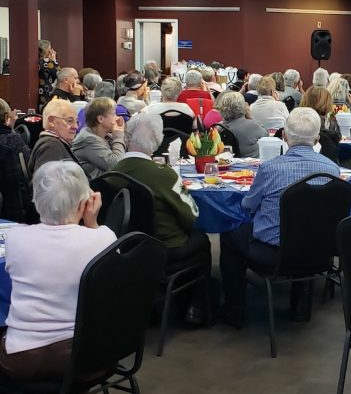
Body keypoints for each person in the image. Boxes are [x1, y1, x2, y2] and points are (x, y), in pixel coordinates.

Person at [219, 107, 340, 327]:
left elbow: (248, 205)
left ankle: (233, 309)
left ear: (284, 135)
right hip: (317, 251)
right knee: (307, 225)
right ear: (316, 138)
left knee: (229, 232)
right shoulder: (332, 169)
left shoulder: (270, 168)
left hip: (272, 252)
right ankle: (300, 305)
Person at [0, 161, 115, 381]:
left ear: (36, 200)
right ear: (85, 202)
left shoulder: (15, 237)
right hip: (87, 359)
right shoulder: (103, 238)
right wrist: (92, 223)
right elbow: (114, 281)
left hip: (22, 361)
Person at [110, 112, 211, 315]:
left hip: (122, 245)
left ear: (127, 138)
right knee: (202, 240)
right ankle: (194, 307)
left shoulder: (111, 173)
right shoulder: (163, 175)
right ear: (157, 142)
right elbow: (191, 216)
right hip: (166, 245)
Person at [71, 97, 126, 179]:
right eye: (114, 114)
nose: (117, 118)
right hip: (94, 188)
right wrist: (118, 138)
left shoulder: (104, 136)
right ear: (100, 119)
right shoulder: (88, 140)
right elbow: (115, 165)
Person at [28, 99, 80, 175]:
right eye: (69, 121)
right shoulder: (50, 147)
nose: (76, 126)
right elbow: (47, 184)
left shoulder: (54, 143)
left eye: (77, 121)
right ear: (51, 121)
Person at [218, 91, 267, 158]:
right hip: (250, 165)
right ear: (243, 107)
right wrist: (250, 116)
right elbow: (266, 134)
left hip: (226, 163)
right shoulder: (251, 126)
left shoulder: (218, 128)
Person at [37, 39, 61, 110]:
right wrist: (54, 61)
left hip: (41, 92)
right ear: (46, 50)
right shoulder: (47, 63)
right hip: (47, 92)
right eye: (50, 48)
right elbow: (60, 74)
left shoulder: (38, 61)